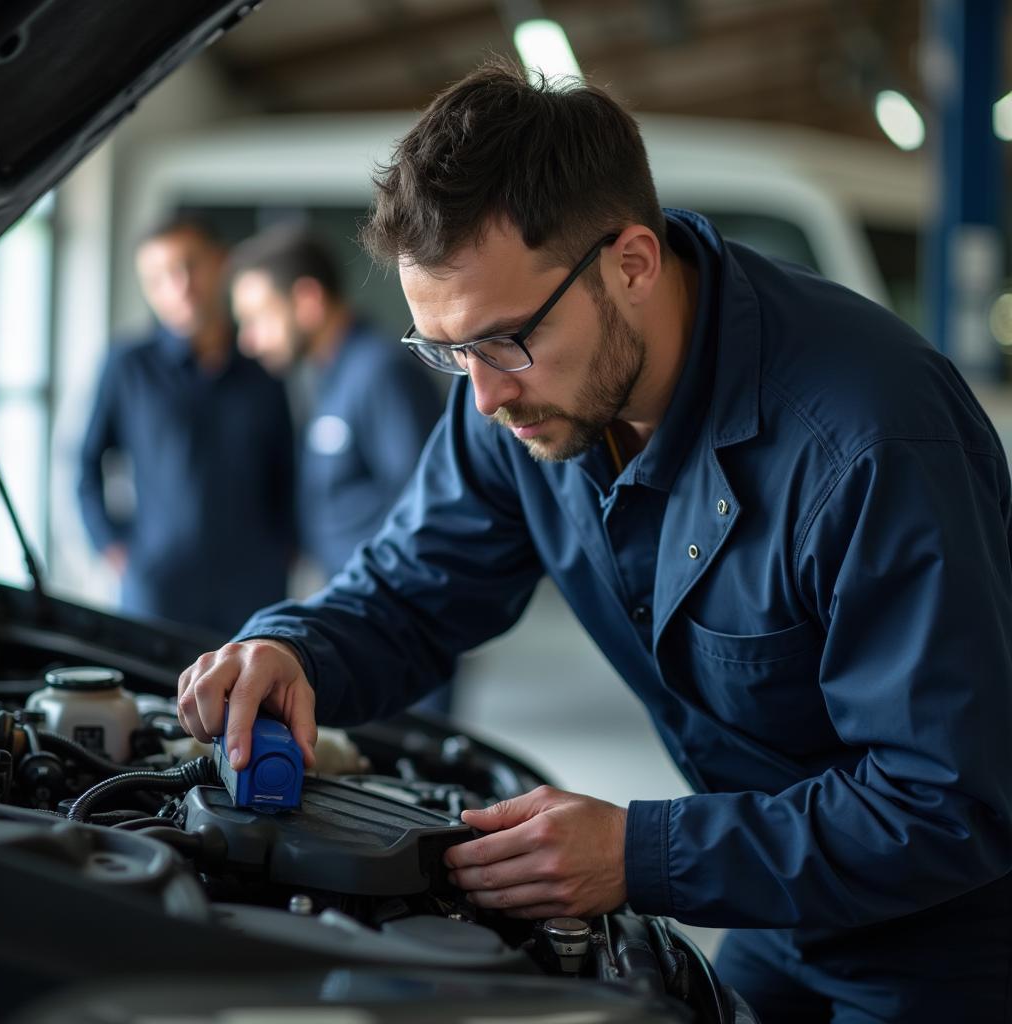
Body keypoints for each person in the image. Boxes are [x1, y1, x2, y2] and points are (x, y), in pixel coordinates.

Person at [176, 62, 1012, 1022]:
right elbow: (411, 589)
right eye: (444, 351)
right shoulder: (523, 400)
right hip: (778, 908)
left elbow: (947, 802)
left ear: (632, 263)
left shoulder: (864, 444)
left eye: (502, 340)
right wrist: (295, 647)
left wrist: (638, 853)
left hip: (948, 936)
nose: (482, 396)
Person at [227, 226, 451, 714]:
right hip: (360, 618)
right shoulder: (327, 375)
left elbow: (426, 505)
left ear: (306, 301)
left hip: (400, 627)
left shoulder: (380, 373)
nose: (248, 341)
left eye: (258, 318)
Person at [78, 215, 295, 636]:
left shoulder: (261, 361)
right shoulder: (128, 365)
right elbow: (85, 463)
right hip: (158, 585)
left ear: (220, 263)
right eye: (158, 278)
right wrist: (111, 546)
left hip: (253, 585)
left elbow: (287, 463)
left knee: (254, 699)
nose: (178, 288)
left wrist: (286, 546)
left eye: (188, 266)